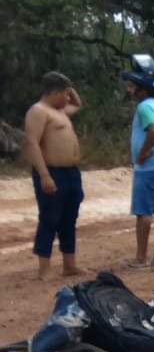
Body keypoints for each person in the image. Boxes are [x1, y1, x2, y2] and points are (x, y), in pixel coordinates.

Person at [24, 71, 84, 281]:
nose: (68, 98)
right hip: (52, 171)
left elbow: (77, 104)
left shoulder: (60, 112)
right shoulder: (39, 111)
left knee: (69, 218)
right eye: (65, 94)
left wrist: (68, 86)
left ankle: (70, 264)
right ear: (55, 92)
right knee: (50, 218)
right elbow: (32, 143)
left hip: (71, 173)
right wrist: (44, 175)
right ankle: (44, 268)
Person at [123, 54, 154, 269]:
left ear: (141, 88)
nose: (129, 88)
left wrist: (142, 153)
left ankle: (141, 259)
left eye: (132, 85)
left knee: (143, 212)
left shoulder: (144, 107)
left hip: (150, 167)